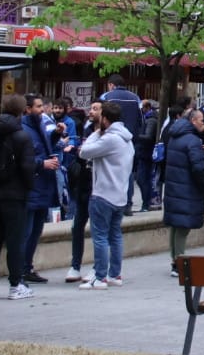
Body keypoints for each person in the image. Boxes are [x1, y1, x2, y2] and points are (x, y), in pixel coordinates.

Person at [0, 94, 38, 300]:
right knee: (15, 241)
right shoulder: (22, 136)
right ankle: (15, 284)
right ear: (22, 110)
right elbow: (27, 168)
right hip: (15, 195)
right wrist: (28, 187)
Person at [77, 100, 134, 289]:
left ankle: (100, 277)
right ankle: (115, 274)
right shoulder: (127, 138)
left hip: (103, 194)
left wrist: (95, 132)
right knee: (115, 235)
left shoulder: (109, 139)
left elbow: (84, 152)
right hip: (120, 194)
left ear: (105, 119)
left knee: (100, 237)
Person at [161, 106, 204, 271]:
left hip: (174, 188)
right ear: (193, 120)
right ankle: (179, 263)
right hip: (187, 189)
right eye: (201, 120)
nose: (203, 123)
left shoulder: (175, 136)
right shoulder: (193, 140)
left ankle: (175, 260)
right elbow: (198, 167)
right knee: (183, 228)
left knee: (176, 226)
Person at [21, 95, 60, 283]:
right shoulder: (23, 129)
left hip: (43, 186)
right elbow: (22, 159)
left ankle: (27, 266)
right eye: (38, 107)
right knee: (27, 231)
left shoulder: (40, 126)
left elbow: (44, 147)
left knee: (36, 230)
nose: (42, 110)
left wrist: (56, 135)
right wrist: (42, 164)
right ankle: (20, 268)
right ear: (27, 109)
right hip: (31, 186)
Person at [60, 101, 99, 282]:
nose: (91, 112)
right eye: (91, 108)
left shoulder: (107, 135)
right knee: (77, 226)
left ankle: (97, 267)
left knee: (98, 229)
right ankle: (75, 265)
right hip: (83, 183)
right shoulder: (87, 129)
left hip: (98, 187)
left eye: (95, 109)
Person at [99, 76, 144, 213]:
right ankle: (127, 203)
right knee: (128, 172)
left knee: (109, 170)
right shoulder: (135, 98)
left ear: (111, 85)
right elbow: (141, 120)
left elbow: (102, 117)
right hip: (129, 139)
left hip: (110, 138)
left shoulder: (107, 96)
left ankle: (110, 203)